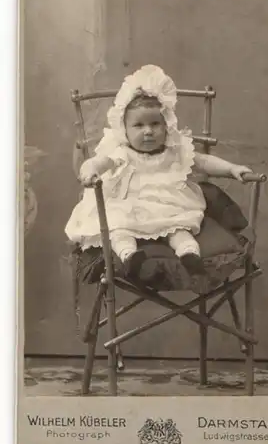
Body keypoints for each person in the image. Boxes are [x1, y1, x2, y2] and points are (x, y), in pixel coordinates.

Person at [65, 65, 251, 282]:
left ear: (167, 126)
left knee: (179, 228)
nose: (148, 131)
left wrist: (231, 169)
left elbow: (203, 161)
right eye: (138, 125)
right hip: (129, 206)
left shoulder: (174, 149)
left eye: (155, 124)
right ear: (124, 130)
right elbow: (98, 162)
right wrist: (89, 173)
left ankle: (190, 256)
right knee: (118, 229)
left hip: (168, 205)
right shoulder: (121, 151)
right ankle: (130, 257)